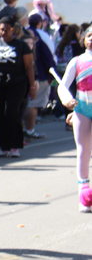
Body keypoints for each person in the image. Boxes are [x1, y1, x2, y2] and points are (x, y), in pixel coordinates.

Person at [0, 17, 35, 158]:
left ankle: (14, 146)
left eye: (6, 30)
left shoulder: (21, 45)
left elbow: (29, 67)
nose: (3, 32)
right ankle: (4, 146)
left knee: (11, 112)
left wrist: (32, 86)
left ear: (12, 29)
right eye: (1, 30)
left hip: (17, 82)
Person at [56, 25, 92, 211]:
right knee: (83, 152)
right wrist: (67, 99)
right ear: (83, 39)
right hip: (82, 109)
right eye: (89, 35)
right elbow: (62, 86)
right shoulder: (77, 61)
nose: (91, 38)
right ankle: (83, 196)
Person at [24, 13, 55, 140]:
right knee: (34, 103)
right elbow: (49, 54)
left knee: (26, 103)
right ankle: (29, 130)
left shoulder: (23, 33)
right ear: (40, 23)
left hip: (24, 75)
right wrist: (51, 72)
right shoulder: (41, 35)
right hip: (39, 74)